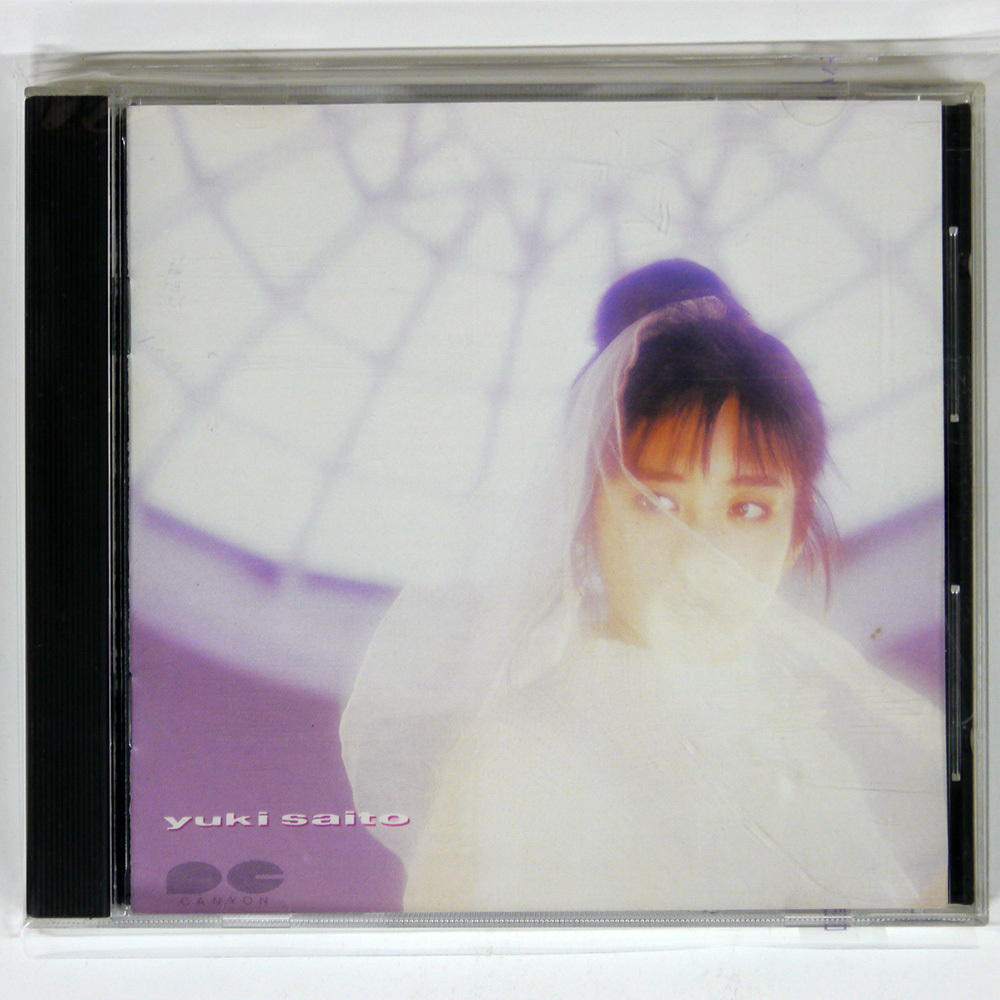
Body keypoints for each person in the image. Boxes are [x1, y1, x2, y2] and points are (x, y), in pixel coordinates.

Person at [340, 261, 947, 912]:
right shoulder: (516, 750)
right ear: (587, 518)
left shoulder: (807, 754)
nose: (700, 553)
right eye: (657, 503)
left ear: (796, 536)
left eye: (748, 509)